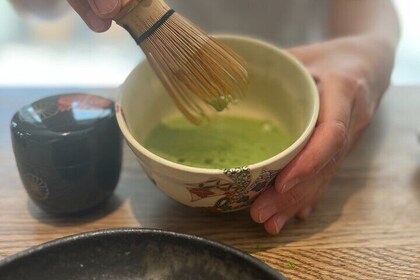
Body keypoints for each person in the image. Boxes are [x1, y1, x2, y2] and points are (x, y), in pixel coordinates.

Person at [11, 0, 400, 234]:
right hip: (169, 74)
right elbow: (36, 7)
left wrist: (371, 52)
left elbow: (372, 11)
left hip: (321, 84)